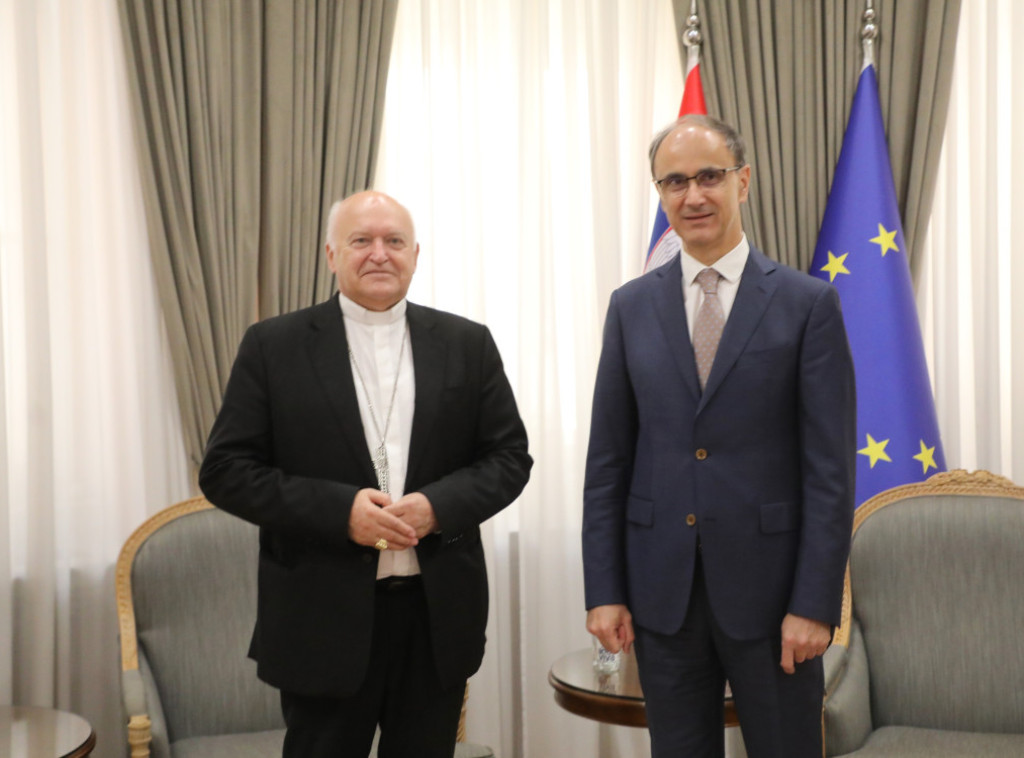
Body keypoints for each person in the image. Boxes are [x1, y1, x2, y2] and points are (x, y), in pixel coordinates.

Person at [199, 190, 532, 758]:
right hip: (321, 618)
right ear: (332, 254)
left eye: (394, 241)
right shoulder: (273, 346)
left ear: (415, 254)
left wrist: (438, 506)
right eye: (361, 240)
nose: (379, 253)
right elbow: (226, 470)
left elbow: (509, 458)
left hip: (435, 616)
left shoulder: (466, 343)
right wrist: (340, 513)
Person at [582, 115, 856, 758]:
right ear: (660, 194)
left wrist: (814, 604)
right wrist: (605, 591)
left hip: (774, 602)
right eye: (674, 182)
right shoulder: (630, 307)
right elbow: (608, 462)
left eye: (709, 176)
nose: (693, 195)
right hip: (662, 597)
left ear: (744, 181)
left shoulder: (806, 305)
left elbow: (830, 473)